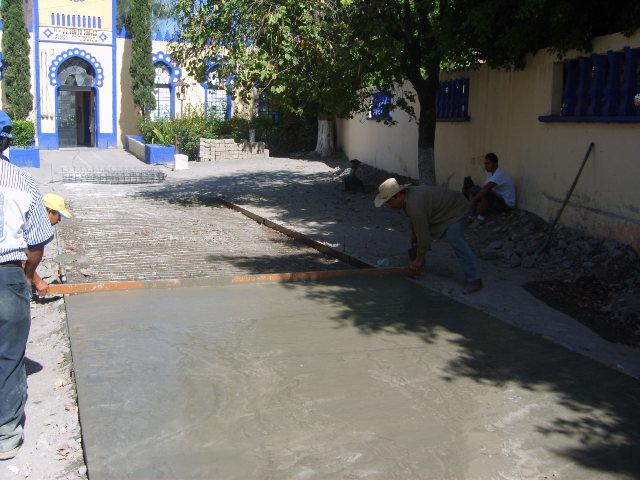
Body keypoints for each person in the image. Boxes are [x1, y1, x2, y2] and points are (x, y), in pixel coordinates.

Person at [0, 111, 55, 460]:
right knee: (9, 351)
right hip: (6, 272)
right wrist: (26, 277)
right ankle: (6, 431)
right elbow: (36, 243)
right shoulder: (21, 182)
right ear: (8, 141)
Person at [375, 177, 483, 293]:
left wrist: (419, 257)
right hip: (444, 209)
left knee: (454, 238)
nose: (390, 206)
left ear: (399, 195)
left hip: (458, 209)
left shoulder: (414, 206)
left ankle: (475, 280)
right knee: (414, 228)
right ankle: (420, 265)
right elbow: (417, 225)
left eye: (390, 202)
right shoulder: (408, 197)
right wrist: (414, 239)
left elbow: (424, 236)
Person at [31, 193, 72, 296]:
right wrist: (38, 282)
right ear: (49, 212)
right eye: (58, 215)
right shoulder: (32, 229)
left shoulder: (34, 223)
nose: (59, 220)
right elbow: (20, 259)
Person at [467, 153, 516, 224]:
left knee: (485, 193)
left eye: (488, 163)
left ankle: (481, 218)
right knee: (472, 189)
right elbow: (484, 188)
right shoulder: (490, 173)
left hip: (506, 205)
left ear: (495, 164)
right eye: (485, 163)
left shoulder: (499, 174)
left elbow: (486, 189)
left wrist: (474, 200)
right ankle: (472, 214)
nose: (485, 166)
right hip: (497, 199)